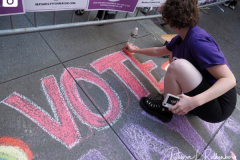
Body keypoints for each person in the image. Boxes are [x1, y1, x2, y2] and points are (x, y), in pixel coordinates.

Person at [122, 0, 237, 123]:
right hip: (209, 96)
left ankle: (164, 109)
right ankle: (179, 103)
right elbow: (158, 51)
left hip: (219, 106)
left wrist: (193, 102)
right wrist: (135, 51)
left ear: (171, 21)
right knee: (174, 58)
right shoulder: (182, 37)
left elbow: (230, 80)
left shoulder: (198, 42)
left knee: (177, 65)